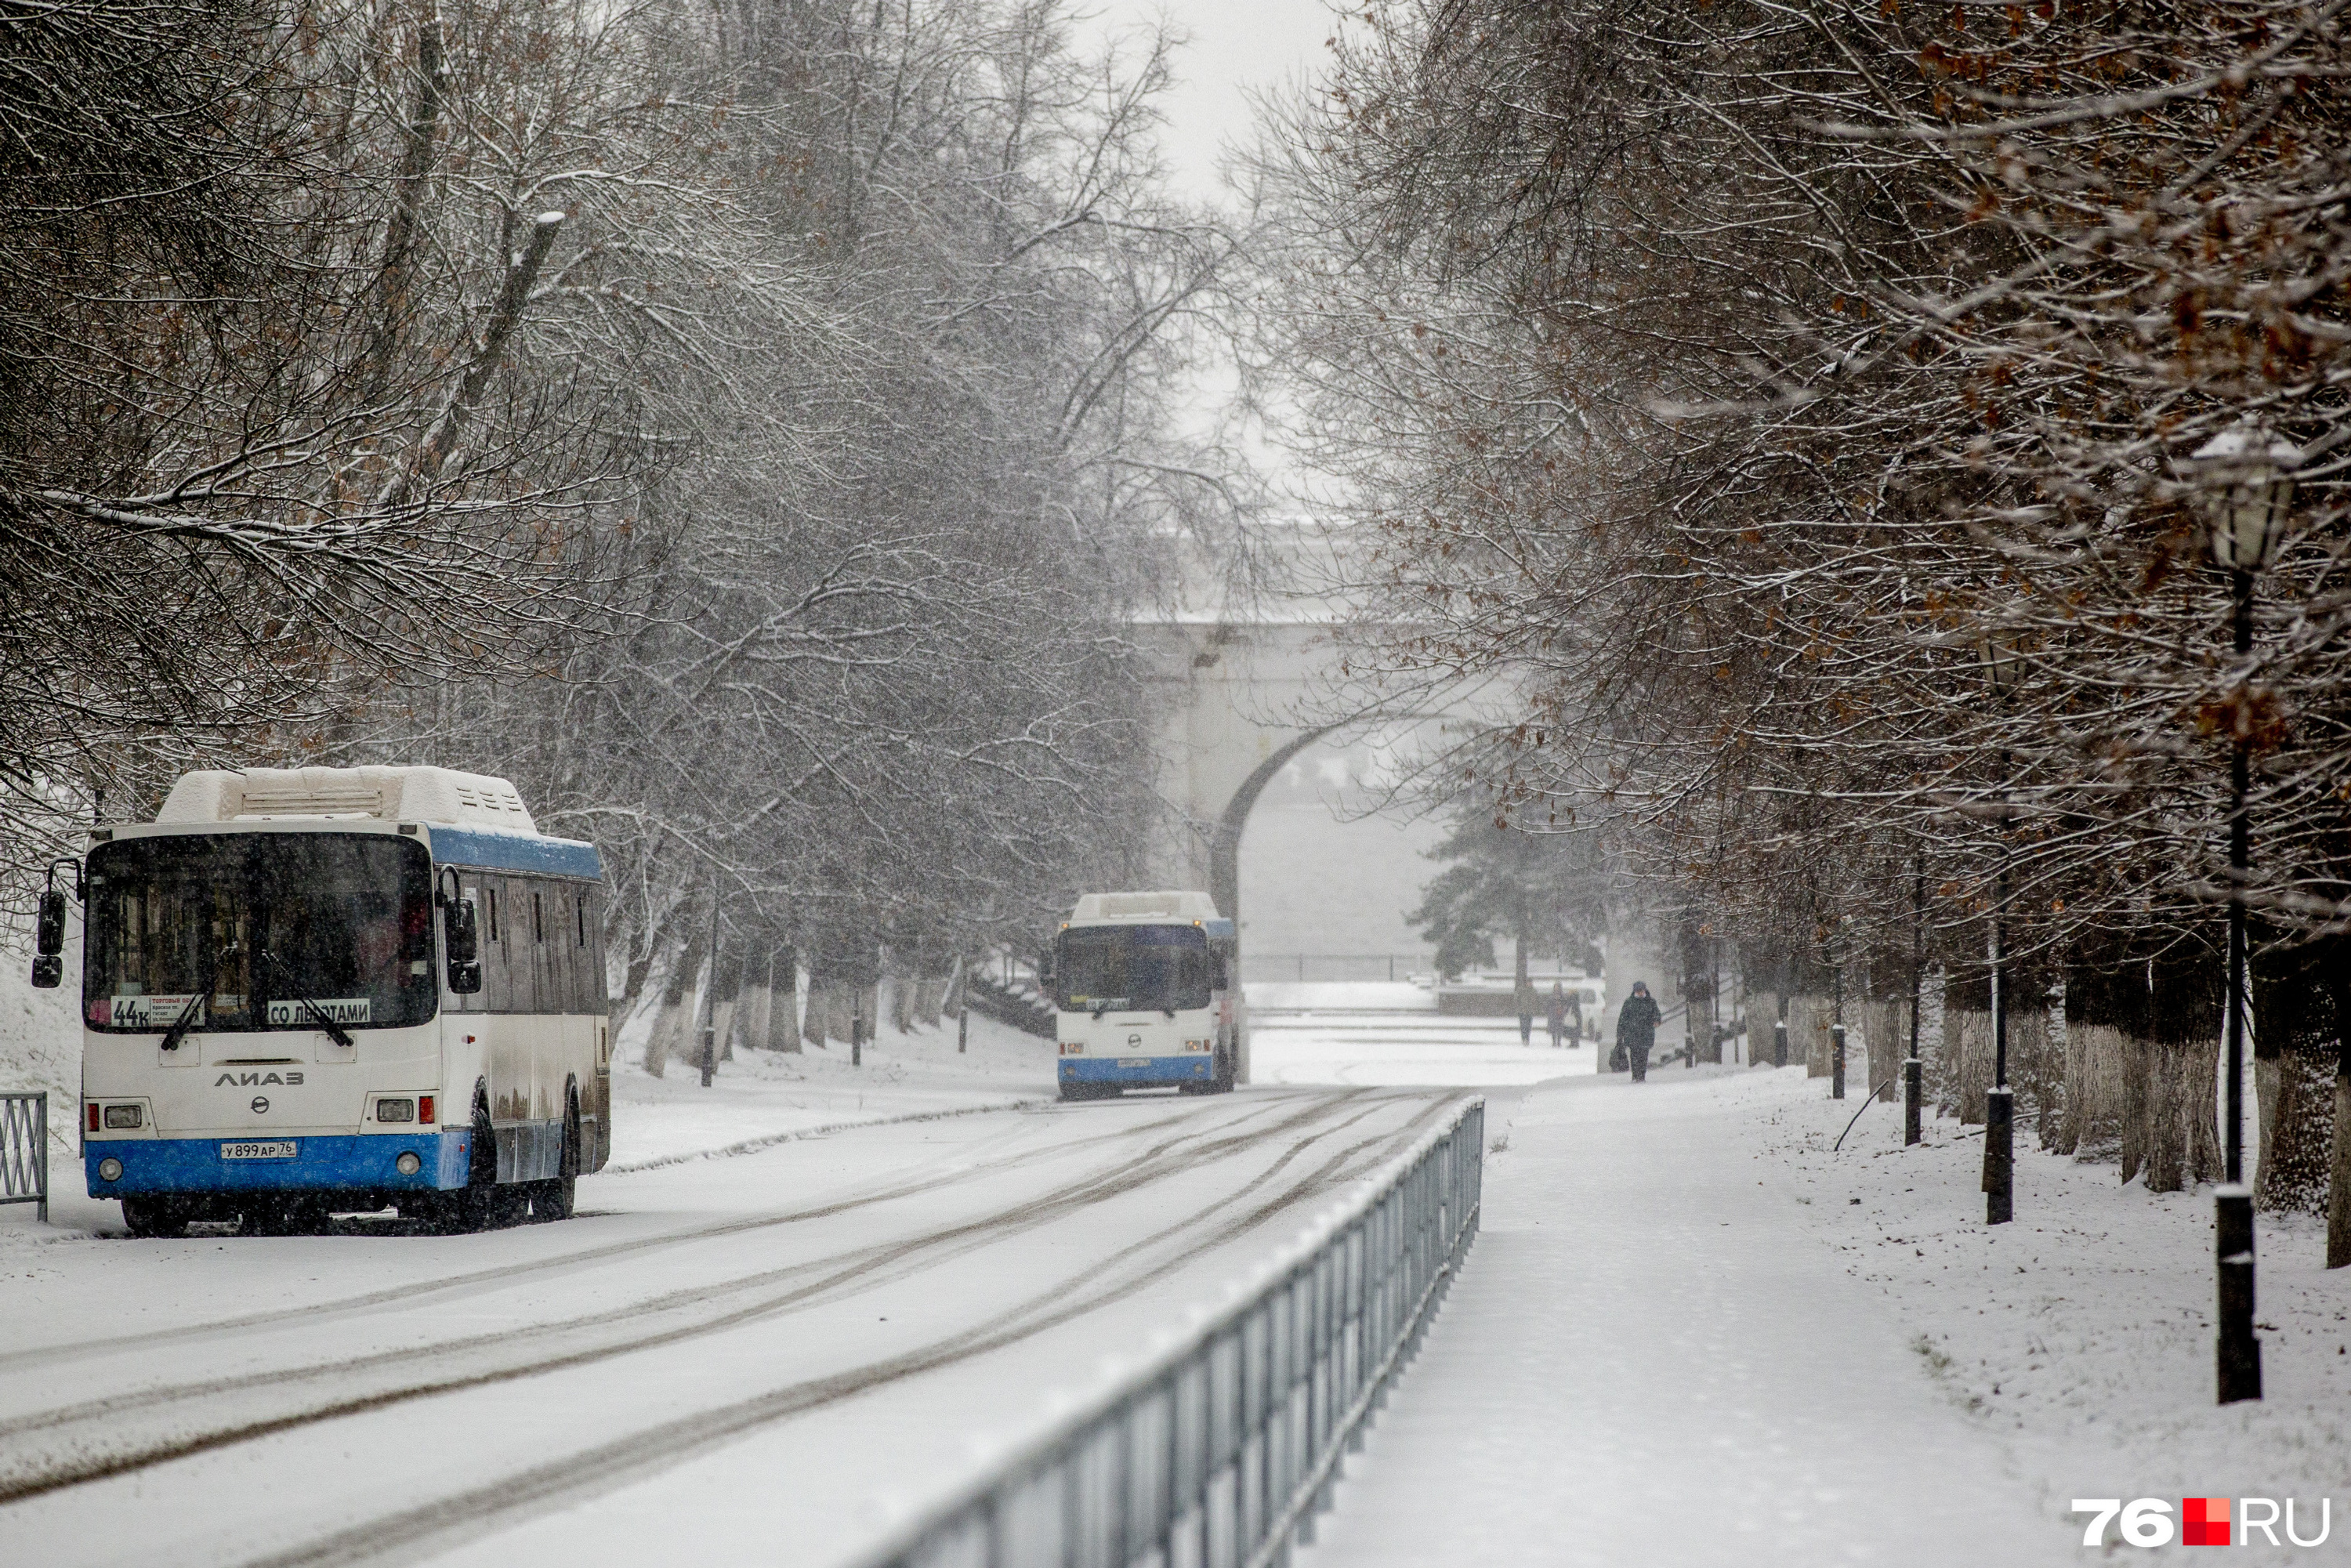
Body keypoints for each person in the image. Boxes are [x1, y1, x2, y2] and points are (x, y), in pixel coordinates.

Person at [1617, 980, 1661, 1081]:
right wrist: (1620, 1032)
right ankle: (1635, 1075)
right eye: (1638, 991)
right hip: (1633, 1034)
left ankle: (1642, 1075)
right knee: (1634, 1055)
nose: (1640, 993)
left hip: (1646, 1034)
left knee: (1644, 1056)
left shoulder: (1651, 1002)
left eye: (1641, 991)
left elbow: (1657, 1014)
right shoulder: (1629, 1002)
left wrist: (1657, 1021)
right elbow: (1623, 1018)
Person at [1545, 982, 1569, 1048]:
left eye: (1557, 987)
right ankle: (1554, 1041)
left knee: (1559, 1028)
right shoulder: (1551, 996)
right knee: (1554, 1028)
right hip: (1553, 1014)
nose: (1556, 988)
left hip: (1560, 1014)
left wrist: (1563, 1010)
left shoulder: (1563, 996)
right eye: (1555, 987)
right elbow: (1548, 1005)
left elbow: (1565, 1004)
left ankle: (1559, 1041)